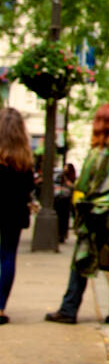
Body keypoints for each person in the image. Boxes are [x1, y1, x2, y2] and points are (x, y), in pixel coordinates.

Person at [45, 104, 109, 326]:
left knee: (82, 259)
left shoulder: (97, 153)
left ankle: (69, 309)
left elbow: (84, 184)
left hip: (97, 214)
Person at [0, 107, 36, 325]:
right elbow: (29, 187)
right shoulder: (24, 159)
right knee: (7, 256)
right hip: (13, 212)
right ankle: (1, 307)